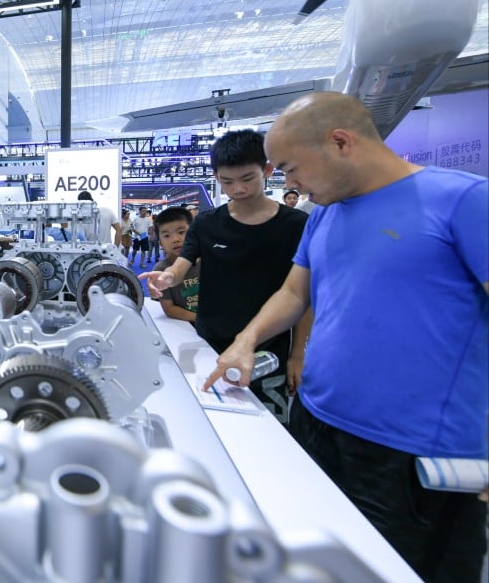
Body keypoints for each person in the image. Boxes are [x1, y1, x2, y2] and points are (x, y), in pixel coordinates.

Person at [202, 92, 488, 581]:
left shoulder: (464, 201)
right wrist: (246, 339)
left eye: (291, 168)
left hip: (412, 458)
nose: (288, 183)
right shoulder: (327, 214)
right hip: (315, 426)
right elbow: (295, 293)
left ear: (340, 142)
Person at [142, 129, 310, 424]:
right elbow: (182, 264)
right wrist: (169, 278)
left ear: (267, 170)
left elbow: (302, 296)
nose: (238, 189)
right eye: (227, 181)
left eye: (247, 179)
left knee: (270, 428)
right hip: (210, 345)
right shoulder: (207, 223)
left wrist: (298, 354)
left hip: (268, 352)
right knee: (213, 425)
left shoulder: (296, 225)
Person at [151, 207, 198, 323]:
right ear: (160, 243)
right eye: (167, 236)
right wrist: (202, 320)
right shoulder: (161, 270)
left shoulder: (207, 260)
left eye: (181, 232)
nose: (175, 239)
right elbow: (169, 308)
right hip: (184, 326)